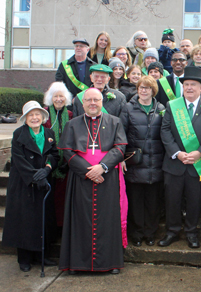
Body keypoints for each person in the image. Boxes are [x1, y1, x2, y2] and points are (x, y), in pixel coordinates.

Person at [58, 88, 128, 275]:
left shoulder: (115, 122)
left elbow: (120, 148)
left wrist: (102, 167)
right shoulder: (72, 124)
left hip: (107, 178)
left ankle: (110, 262)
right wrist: (87, 171)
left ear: (102, 102)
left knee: (108, 220)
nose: (92, 103)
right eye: (88, 100)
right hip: (80, 179)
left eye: (96, 99)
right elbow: (67, 151)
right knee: (79, 220)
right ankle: (76, 263)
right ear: (83, 103)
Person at [158, 66, 201, 249]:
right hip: (174, 164)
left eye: (193, 84)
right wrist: (177, 153)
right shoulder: (172, 106)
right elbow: (165, 131)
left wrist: (200, 153)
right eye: (186, 84)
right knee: (172, 200)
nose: (190, 88)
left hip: (197, 164)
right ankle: (172, 232)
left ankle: (192, 232)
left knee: (194, 201)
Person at [2, 101, 59, 272]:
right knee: (25, 222)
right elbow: (19, 160)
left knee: (43, 220)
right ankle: (24, 259)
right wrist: (36, 176)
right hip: (24, 185)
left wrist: (47, 169)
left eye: (37, 114)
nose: (34, 118)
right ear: (25, 118)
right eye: (31, 115)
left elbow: (54, 155)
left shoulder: (49, 133)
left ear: (43, 117)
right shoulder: (18, 134)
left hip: (44, 183)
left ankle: (42, 255)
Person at [120, 76, 165, 247]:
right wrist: (122, 157)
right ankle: (137, 233)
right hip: (135, 163)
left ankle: (150, 233)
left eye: (147, 87)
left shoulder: (160, 108)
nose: (143, 90)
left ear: (153, 90)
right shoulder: (128, 108)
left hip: (156, 163)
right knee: (136, 201)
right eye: (140, 87)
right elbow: (121, 133)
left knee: (153, 203)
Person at [42, 82, 74, 227]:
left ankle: (62, 225)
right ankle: (51, 226)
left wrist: (67, 161)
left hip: (66, 162)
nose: (59, 99)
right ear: (51, 98)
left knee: (63, 196)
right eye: (55, 96)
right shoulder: (45, 114)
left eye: (61, 96)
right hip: (49, 160)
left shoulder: (70, 114)